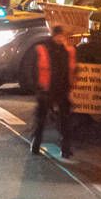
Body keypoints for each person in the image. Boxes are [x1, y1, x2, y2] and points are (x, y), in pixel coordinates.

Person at [28, 28, 77, 158]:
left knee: (65, 120)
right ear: (54, 36)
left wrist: (70, 88)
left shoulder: (67, 50)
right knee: (41, 119)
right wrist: (37, 89)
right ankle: (36, 143)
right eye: (58, 36)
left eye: (62, 36)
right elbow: (34, 70)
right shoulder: (43, 49)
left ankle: (66, 148)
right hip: (46, 90)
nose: (60, 39)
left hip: (62, 89)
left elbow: (72, 70)